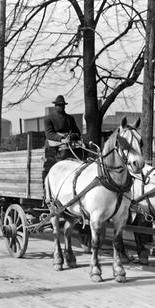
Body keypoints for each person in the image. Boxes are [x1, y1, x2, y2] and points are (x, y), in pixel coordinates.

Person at [43, 95, 91, 252]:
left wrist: (73, 136)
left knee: (84, 162)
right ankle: (52, 192)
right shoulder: (48, 119)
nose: (60, 107)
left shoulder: (70, 119)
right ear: (55, 105)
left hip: (71, 147)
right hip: (55, 149)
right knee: (57, 165)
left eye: (62, 105)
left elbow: (77, 132)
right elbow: (49, 134)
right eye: (58, 105)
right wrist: (61, 138)